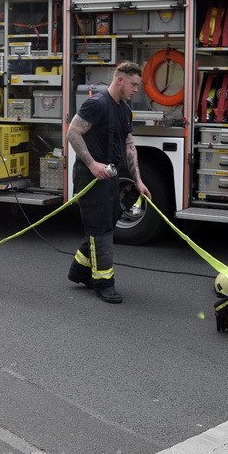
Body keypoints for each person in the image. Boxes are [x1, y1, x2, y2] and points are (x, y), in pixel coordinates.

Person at [66, 61, 151, 303]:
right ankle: (104, 284)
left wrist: (138, 181)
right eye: (134, 84)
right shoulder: (96, 105)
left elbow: (129, 146)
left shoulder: (124, 110)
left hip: (111, 177)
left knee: (105, 224)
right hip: (90, 177)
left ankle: (78, 271)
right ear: (120, 80)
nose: (136, 90)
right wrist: (93, 164)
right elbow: (72, 132)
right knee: (101, 229)